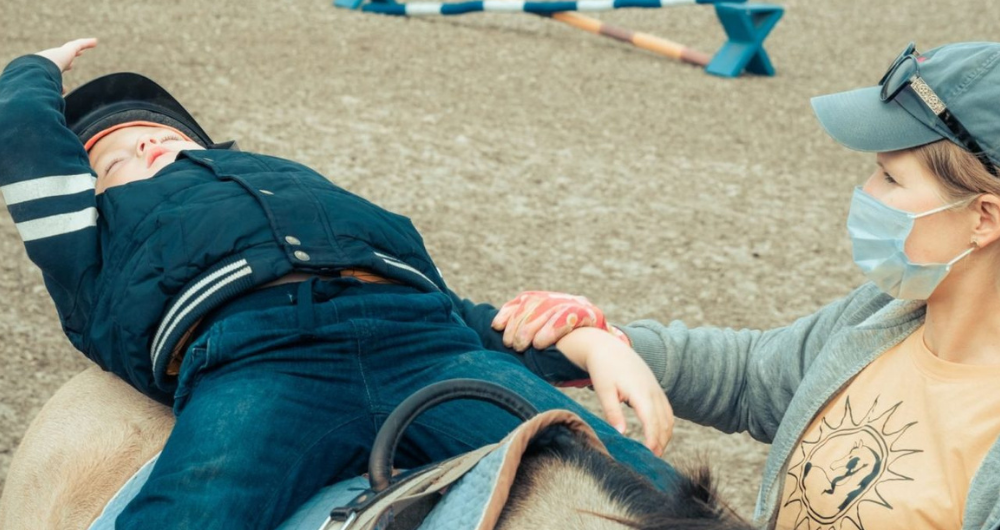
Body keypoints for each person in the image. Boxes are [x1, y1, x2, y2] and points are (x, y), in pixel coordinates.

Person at [0, 39, 675, 529]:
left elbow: (463, 316)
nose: (146, 144)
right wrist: (33, 70)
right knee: (190, 508)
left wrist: (589, 343)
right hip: (258, 357)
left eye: (161, 135)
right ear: (83, 198)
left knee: (637, 484)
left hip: (422, 342)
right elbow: (26, 142)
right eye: (115, 160)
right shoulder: (92, 242)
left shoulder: (305, 189)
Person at [494, 41, 1000, 529]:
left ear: (984, 218)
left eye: (889, 179)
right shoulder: (887, 313)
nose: (864, 194)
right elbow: (753, 379)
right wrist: (609, 341)